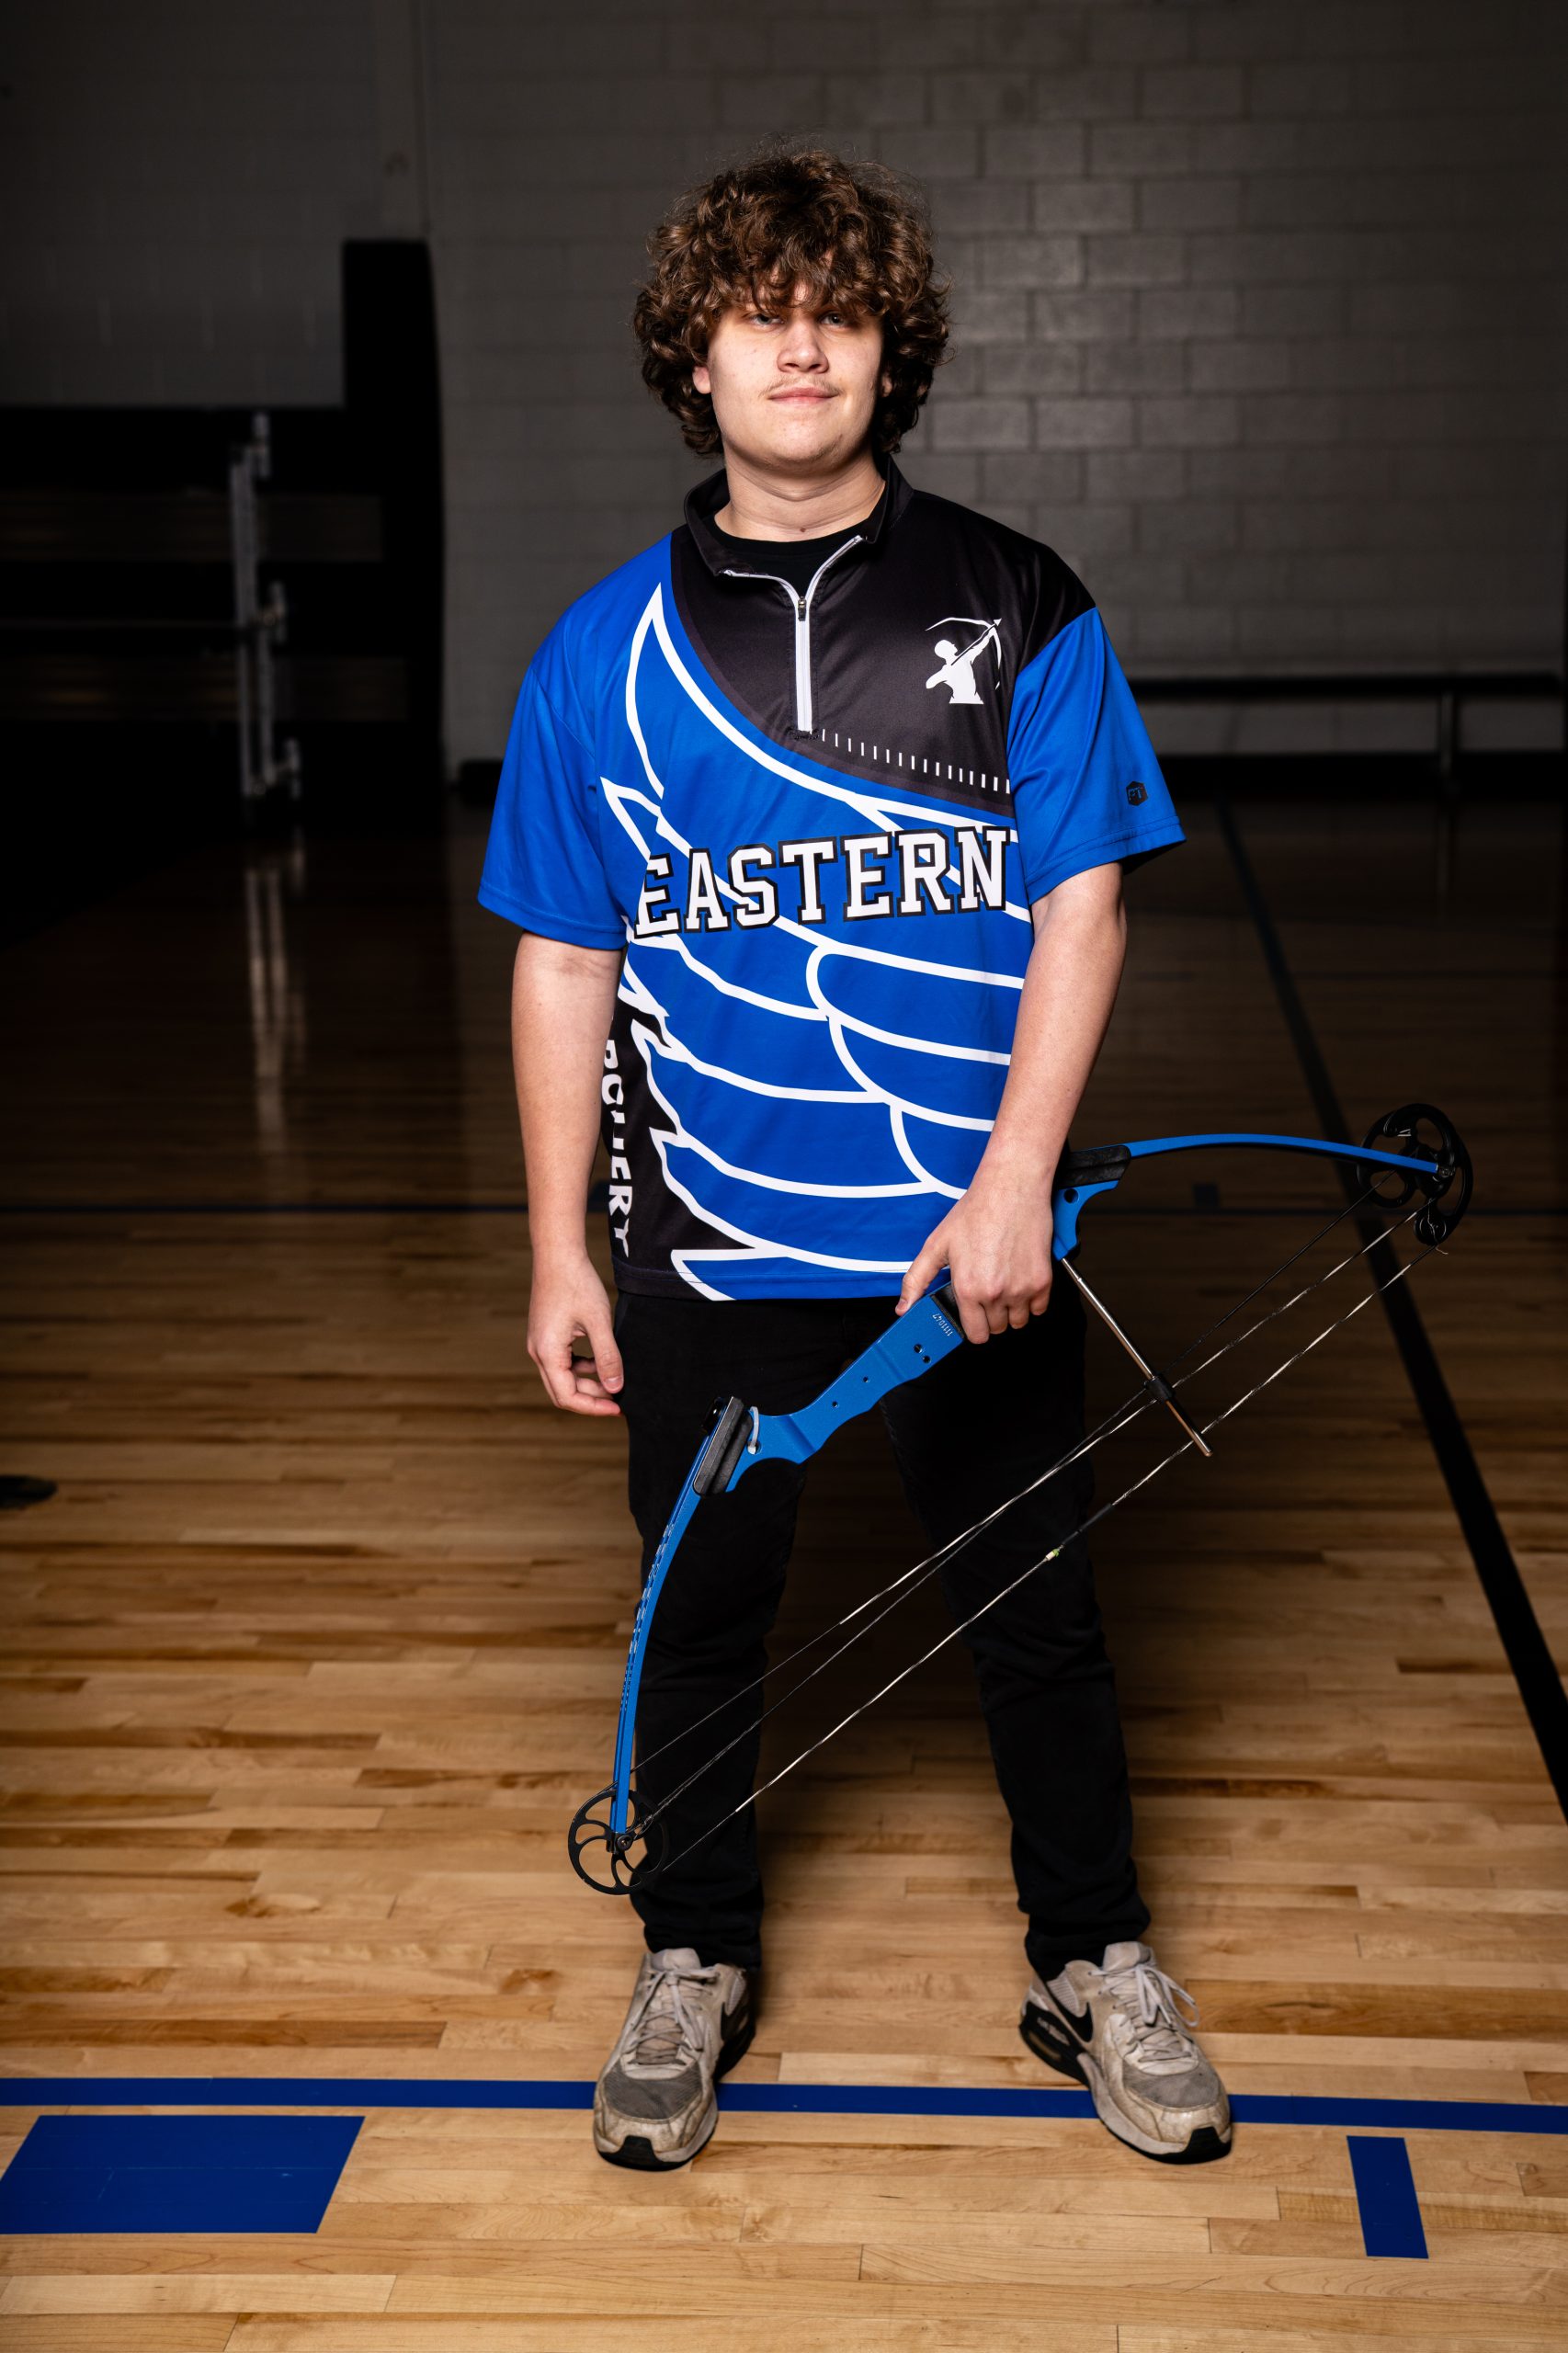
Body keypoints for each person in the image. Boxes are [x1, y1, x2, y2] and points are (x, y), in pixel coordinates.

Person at [479, 144, 1232, 2174]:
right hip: (702, 1240)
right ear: (693, 359)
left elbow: (1083, 906)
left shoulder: (1020, 597)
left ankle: (1092, 1955)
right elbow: (561, 961)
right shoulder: (597, 653)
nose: (798, 344)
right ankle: (692, 1955)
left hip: (963, 1242)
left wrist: (1014, 1182)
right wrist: (558, 1250)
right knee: (699, 1616)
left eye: (838, 311)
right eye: (758, 311)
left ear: (893, 351)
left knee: (1037, 1610)